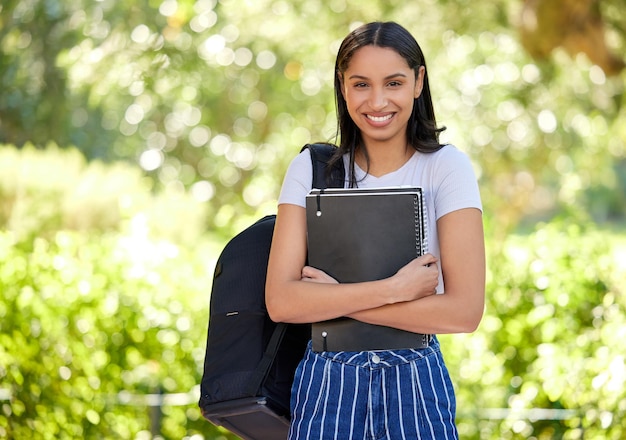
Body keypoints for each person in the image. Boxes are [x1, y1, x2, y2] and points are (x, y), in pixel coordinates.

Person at [265, 21, 485, 439]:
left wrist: (332, 299)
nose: (378, 100)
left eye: (395, 82)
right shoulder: (311, 169)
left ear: (419, 82)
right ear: (342, 86)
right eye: (361, 84)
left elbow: (464, 311)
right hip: (327, 385)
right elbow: (281, 301)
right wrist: (394, 289)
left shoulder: (446, 168)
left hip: (414, 382)